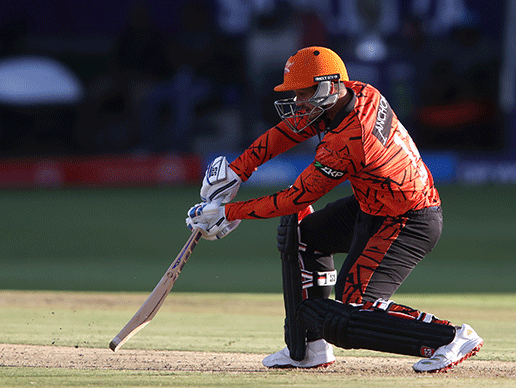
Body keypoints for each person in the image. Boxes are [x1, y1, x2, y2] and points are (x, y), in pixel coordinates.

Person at [185, 47, 483, 373]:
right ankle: (308, 349)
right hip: (373, 205)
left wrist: (230, 212)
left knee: (355, 305)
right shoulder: (359, 92)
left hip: (408, 221)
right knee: (303, 235)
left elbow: (295, 198)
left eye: (304, 93)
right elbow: (293, 129)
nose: (297, 102)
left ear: (328, 86)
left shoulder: (350, 140)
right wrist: (237, 170)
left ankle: (449, 338)